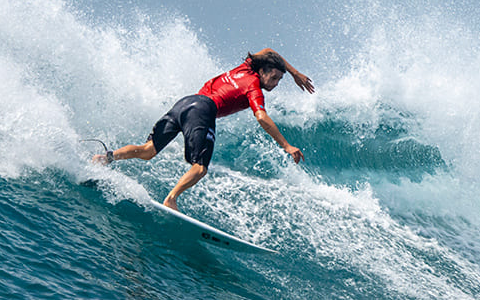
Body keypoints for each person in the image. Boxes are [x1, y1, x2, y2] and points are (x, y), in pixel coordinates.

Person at [93, 48, 314, 211]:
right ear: (262, 71)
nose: (275, 83)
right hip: (204, 109)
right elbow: (261, 117)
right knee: (200, 168)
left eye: (279, 79)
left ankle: (106, 157)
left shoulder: (245, 66)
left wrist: (294, 73)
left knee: (148, 150)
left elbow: (268, 51)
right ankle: (171, 199)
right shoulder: (254, 87)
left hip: (185, 102)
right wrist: (286, 145)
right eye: (274, 77)